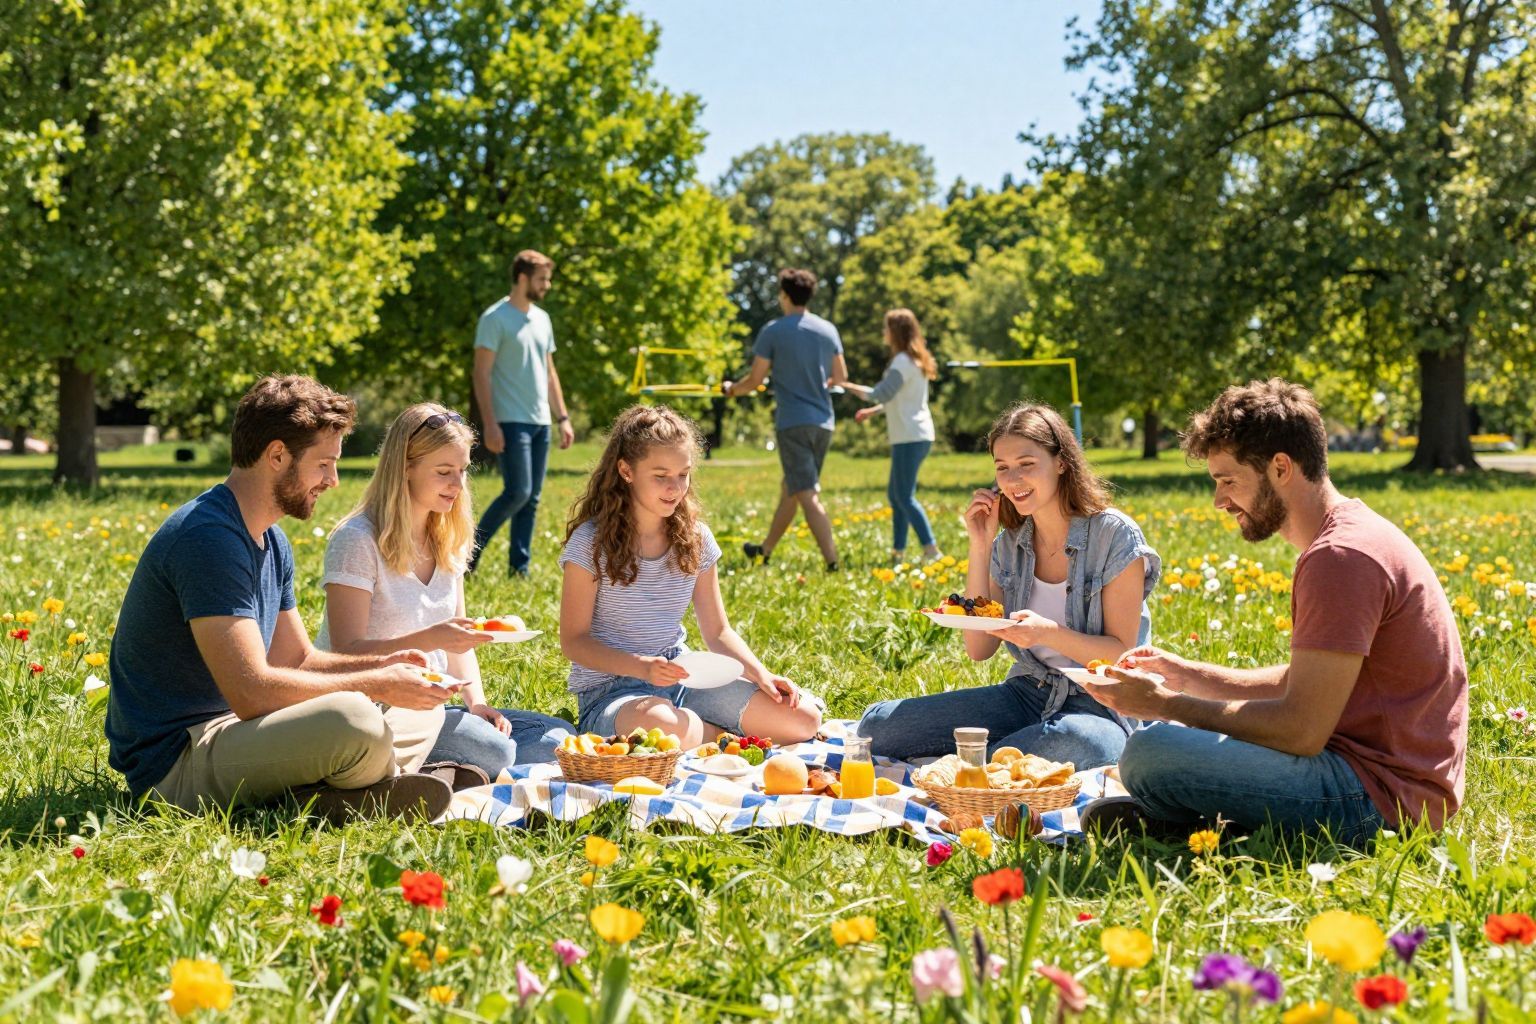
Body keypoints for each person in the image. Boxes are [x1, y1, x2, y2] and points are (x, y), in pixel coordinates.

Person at [1081, 379, 1467, 843]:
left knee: (1149, 753)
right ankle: (1210, 823)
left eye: (1228, 480)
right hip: (1391, 783)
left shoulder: (1340, 558)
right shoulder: (1350, 536)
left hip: (1379, 800)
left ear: (1281, 467)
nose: (1220, 501)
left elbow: (1302, 729)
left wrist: (1163, 704)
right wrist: (1184, 675)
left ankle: (1201, 823)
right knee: (1169, 739)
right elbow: (1306, 684)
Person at [105, 376, 458, 822]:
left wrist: (384, 669)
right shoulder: (208, 538)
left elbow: (298, 659)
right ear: (276, 456)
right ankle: (365, 788)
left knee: (421, 707)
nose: (332, 481)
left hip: (243, 734)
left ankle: (351, 792)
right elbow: (251, 693)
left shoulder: (271, 540)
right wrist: (373, 684)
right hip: (180, 761)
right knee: (355, 720)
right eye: (324, 464)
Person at [856, 403, 1160, 770]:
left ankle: (983, 762)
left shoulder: (1114, 536)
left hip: (1101, 704)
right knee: (878, 728)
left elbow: (1121, 655)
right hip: (1027, 694)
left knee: (1074, 742)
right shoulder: (1009, 545)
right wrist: (980, 545)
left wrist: (1048, 634)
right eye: (1002, 468)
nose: (1013, 479)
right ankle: (1001, 760)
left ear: (1061, 461)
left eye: (1026, 464)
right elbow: (979, 647)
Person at [317, 403, 572, 785]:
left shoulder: (448, 538)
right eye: (443, 472)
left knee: (558, 738)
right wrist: (432, 637)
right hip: (374, 708)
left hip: (432, 706)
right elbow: (345, 652)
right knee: (498, 750)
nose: (457, 484)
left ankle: (446, 770)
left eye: (462, 471)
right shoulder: (357, 540)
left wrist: (477, 703)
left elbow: (459, 643)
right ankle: (433, 769)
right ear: (405, 466)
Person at [558, 405, 823, 748]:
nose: (674, 487)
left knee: (803, 719)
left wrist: (762, 675)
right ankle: (718, 736)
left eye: (683, 474)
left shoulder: (695, 539)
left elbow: (718, 631)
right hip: (612, 694)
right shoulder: (590, 544)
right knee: (664, 724)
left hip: (684, 679)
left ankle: (698, 732)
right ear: (626, 470)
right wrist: (641, 668)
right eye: (660, 475)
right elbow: (574, 641)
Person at [723, 268, 847, 571]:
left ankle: (832, 562)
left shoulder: (774, 330)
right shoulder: (828, 330)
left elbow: (754, 380)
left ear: (784, 295)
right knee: (791, 487)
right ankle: (764, 551)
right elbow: (841, 377)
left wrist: (731, 390)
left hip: (793, 423)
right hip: (823, 422)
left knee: (806, 492)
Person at [470, 249, 575, 576]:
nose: (547, 285)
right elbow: (481, 374)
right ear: (522, 278)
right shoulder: (495, 318)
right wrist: (489, 423)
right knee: (517, 492)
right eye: (542, 279)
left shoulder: (542, 319)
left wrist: (563, 417)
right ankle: (466, 555)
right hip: (509, 421)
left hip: (540, 421)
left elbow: (549, 372)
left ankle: (520, 568)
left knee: (530, 499)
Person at [844, 308, 941, 565]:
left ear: (895, 332)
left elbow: (880, 393)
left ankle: (931, 549)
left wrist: (847, 385)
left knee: (904, 497)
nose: (883, 333)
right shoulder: (913, 361)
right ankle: (898, 552)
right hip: (913, 435)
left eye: (886, 328)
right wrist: (873, 412)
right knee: (896, 496)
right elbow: (896, 398)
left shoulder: (902, 362)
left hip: (910, 436)